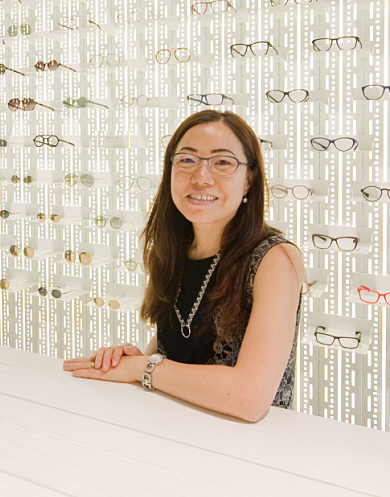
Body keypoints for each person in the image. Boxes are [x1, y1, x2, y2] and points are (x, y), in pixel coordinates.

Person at [63, 110, 305, 422]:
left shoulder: (275, 259)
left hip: (246, 451)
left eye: (222, 162)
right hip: (172, 432)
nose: (201, 177)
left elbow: (249, 398)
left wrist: (143, 368)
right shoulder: (176, 247)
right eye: (187, 160)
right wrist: (134, 359)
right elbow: (168, 352)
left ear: (249, 180)